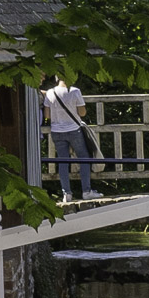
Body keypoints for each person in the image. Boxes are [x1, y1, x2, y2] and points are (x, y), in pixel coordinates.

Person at [42, 74, 95, 202]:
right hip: (73, 129)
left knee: (63, 161)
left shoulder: (50, 92)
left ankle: (67, 194)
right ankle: (86, 191)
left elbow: (47, 115)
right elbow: (82, 113)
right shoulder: (75, 91)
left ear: (56, 78)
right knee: (84, 158)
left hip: (56, 131)